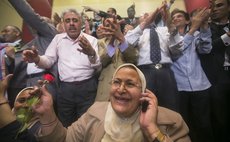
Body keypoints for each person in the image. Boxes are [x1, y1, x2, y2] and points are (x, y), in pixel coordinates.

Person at [25, 63, 190, 142]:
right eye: (116, 82)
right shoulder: (95, 112)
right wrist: (47, 113)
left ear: (143, 92)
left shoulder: (171, 121)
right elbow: (65, 140)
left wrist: (152, 130)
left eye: (130, 84)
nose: (121, 89)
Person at [22, 8, 101, 127]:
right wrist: (37, 59)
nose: (71, 24)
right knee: (65, 123)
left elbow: (98, 67)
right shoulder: (58, 39)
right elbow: (48, 61)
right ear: (63, 24)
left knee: (87, 124)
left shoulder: (91, 40)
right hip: (65, 89)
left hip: (87, 88)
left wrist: (91, 53)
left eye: (75, 20)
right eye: (68, 20)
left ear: (81, 22)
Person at [170, 8, 214, 142]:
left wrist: (205, 25)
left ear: (187, 20)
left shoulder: (196, 35)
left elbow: (206, 49)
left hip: (200, 85)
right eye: (173, 17)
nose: (176, 18)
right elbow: (176, 51)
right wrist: (193, 28)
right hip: (180, 87)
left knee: (204, 123)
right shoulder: (169, 38)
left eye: (179, 16)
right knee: (185, 123)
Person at [125, 5, 179, 112]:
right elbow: (128, 42)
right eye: (143, 15)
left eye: (148, 13)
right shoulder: (137, 32)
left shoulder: (164, 30)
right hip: (145, 73)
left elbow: (177, 48)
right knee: (145, 107)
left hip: (165, 71)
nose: (146, 15)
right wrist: (144, 25)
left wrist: (171, 27)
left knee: (170, 106)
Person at [199, 0, 230, 141]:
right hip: (217, 78)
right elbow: (208, 49)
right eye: (212, 6)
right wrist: (227, 36)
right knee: (220, 118)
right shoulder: (205, 28)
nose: (215, 9)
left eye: (220, 5)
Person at [95, 16, 138, 101]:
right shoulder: (99, 42)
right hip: (105, 87)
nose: (111, 28)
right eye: (108, 25)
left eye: (113, 25)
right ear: (104, 28)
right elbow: (103, 60)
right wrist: (112, 40)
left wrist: (121, 38)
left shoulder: (127, 40)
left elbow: (133, 58)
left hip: (124, 85)